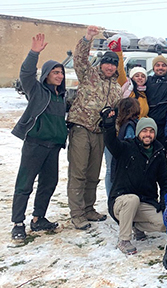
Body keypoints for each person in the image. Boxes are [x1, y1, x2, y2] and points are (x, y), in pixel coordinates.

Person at [11, 33, 67, 241]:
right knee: (25, 183)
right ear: (46, 74)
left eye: (61, 72)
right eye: (55, 72)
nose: (59, 76)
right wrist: (34, 53)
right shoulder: (37, 91)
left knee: (48, 183)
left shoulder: (61, 97)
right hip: (35, 145)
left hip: (53, 148)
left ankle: (38, 219)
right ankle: (18, 223)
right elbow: (26, 74)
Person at [67, 25, 122, 230]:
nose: (109, 67)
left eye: (113, 64)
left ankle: (89, 208)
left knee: (92, 174)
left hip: (99, 132)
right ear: (102, 64)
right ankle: (77, 213)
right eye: (107, 63)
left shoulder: (117, 88)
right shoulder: (89, 75)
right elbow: (79, 59)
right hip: (81, 127)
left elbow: (116, 112)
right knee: (78, 172)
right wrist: (87, 38)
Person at [102, 115, 167, 255]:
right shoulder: (126, 147)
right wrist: (109, 125)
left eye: (151, 131)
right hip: (121, 200)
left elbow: (165, 181)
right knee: (132, 200)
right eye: (144, 131)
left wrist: (165, 201)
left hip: (145, 201)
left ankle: (134, 225)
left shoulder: (159, 152)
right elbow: (111, 142)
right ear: (138, 132)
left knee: (164, 223)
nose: (148, 134)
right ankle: (124, 240)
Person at [104, 97, 140, 195]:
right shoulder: (131, 125)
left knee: (111, 172)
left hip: (123, 161)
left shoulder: (128, 125)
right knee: (110, 172)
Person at [107, 38, 150, 117]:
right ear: (132, 78)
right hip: (128, 125)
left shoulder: (144, 92)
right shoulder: (127, 85)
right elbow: (120, 69)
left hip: (141, 127)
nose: (140, 78)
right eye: (136, 76)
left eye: (143, 76)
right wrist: (118, 52)